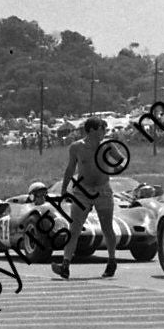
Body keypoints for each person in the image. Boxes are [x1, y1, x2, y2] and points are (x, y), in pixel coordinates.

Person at [51, 117, 118, 280]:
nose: (104, 132)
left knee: (107, 228)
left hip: (103, 190)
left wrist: (111, 167)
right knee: (74, 229)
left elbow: (120, 160)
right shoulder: (76, 147)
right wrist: (64, 189)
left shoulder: (107, 145)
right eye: (102, 128)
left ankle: (112, 260)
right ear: (92, 130)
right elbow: (70, 168)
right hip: (83, 192)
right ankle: (65, 264)